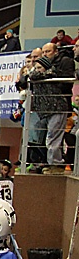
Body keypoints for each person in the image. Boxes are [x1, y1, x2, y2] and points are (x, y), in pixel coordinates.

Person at [29, 43, 76, 171]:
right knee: (44, 139)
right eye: (43, 52)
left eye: (47, 51)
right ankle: (49, 163)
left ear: (56, 52)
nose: (37, 69)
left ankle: (55, 164)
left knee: (53, 138)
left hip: (57, 107)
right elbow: (30, 76)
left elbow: (67, 80)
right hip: (46, 110)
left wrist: (47, 74)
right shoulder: (43, 72)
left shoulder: (63, 63)